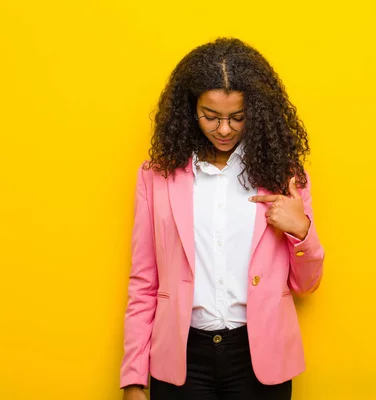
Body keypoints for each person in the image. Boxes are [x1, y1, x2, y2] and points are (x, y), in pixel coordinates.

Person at [119, 37, 325, 400]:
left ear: (256, 113)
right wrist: (134, 376)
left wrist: (301, 230)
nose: (225, 129)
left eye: (237, 117)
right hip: (181, 357)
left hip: (260, 357)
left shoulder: (284, 176)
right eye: (211, 116)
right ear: (189, 110)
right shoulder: (156, 177)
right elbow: (143, 280)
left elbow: (306, 286)